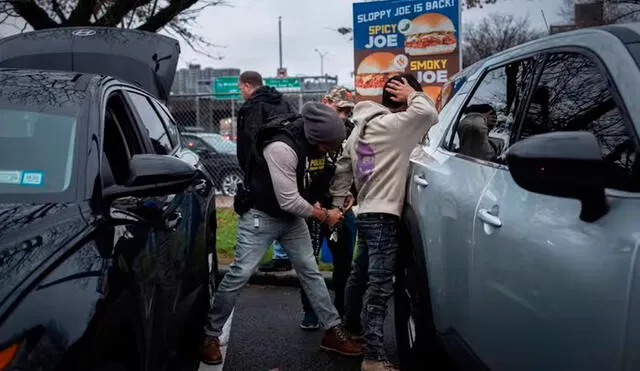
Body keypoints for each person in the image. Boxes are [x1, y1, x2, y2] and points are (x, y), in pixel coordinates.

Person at [202, 102, 363, 365]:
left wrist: (333, 198)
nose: (332, 150)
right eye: (329, 146)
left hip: (291, 219)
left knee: (310, 272)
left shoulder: (319, 145)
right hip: (260, 215)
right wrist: (324, 215)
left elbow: (318, 177)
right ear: (315, 138)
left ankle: (332, 331)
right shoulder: (281, 147)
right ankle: (209, 335)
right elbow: (289, 200)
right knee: (240, 272)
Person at [329, 75, 439, 371]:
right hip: (385, 215)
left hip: (366, 212)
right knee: (379, 287)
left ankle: (351, 327)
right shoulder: (396, 126)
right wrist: (414, 93)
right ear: (402, 98)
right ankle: (374, 357)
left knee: (360, 274)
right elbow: (430, 114)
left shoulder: (358, 129)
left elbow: (342, 167)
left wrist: (342, 198)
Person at [297, 86, 360, 330]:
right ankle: (310, 311)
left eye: (347, 111)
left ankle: (342, 310)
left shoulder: (353, 130)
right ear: (326, 102)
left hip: (341, 206)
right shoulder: (308, 129)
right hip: (313, 207)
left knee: (344, 262)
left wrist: (352, 194)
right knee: (308, 262)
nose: (343, 116)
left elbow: (361, 166)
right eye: (339, 109)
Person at [235, 70, 294, 272]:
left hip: (260, 168)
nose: (240, 92)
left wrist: (248, 166)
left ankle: (249, 257)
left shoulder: (253, 107)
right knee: (284, 207)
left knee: (259, 211)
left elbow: (250, 140)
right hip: (286, 162)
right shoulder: (282, 101)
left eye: (240, 87)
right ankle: (284, 254)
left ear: (248, 85)